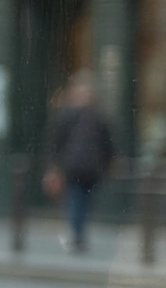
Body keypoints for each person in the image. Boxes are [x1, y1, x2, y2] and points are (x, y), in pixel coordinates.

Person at [45, 67, 116, 253]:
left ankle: (77, 236)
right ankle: (78, 235)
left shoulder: (75, 115)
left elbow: (57, 142)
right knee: (80, 200)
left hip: (79, 166)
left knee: (78, 200)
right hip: (83, 167)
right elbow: (108, 142)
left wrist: (54, 165)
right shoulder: (94, 115)